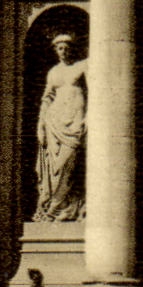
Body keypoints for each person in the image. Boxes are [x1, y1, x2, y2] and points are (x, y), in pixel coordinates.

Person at [34, 33, 87, 221]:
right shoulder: (54, 72)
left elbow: (94, 91)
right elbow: (47, 98)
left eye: (66, 47)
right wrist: (40, 125)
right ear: (55, 50)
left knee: (68, 164)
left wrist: (88, 117)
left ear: (73, 48)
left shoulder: (83, 66)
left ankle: (61, 207)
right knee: (53, 168)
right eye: (60, 48)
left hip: (75, 121)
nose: (63, 51)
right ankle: (55, 209)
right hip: (54, 122)